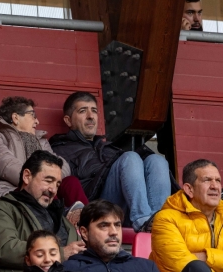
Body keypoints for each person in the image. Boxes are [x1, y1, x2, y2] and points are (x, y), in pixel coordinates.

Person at [49, 91, 170, 232]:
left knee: (156, 160)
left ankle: (161, 222)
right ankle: (142, 220)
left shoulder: (106, 146)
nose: (90, 116)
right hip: (98, 206)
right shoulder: (59, 149)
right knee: (130, 158)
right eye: (83, 111)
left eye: (94, 111)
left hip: (127, 203)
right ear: (68, 120)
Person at [0, 150, 83, 272]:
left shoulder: (60, 217)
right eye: (48, 180)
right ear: (27, 176)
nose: (53, 190)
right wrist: (61, 253)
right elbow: (4, 249)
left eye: (57, 184)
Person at [0, 96, 83, 204]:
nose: (37, 121)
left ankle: (88, 217)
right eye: (33, 115)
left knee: (71, 182)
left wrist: (48, 179)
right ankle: (62, 216)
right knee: (43, 189)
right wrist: (39, 181)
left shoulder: (41, 141)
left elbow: (60, 165)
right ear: (15, 118)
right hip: (13, 192)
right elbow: (6, 165)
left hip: (43, 188)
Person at [151, 159, 223, 272]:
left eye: (218, 180)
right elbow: (180, 268)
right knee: (196, 268)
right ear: (189, 189)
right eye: (207, 180)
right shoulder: (165, 219)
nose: (215, 186)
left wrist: (206, 256)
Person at [63, 200, 165, 272]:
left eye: (117, 225)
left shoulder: (147, 268)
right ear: (84, 233)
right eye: (104, 225)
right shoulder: (68, 269)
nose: (114, 232)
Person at [22, 230, 90, 272]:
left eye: (53, 253)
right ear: (28, 260)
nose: (47, 259)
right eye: (40, 255)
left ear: (60, 256)